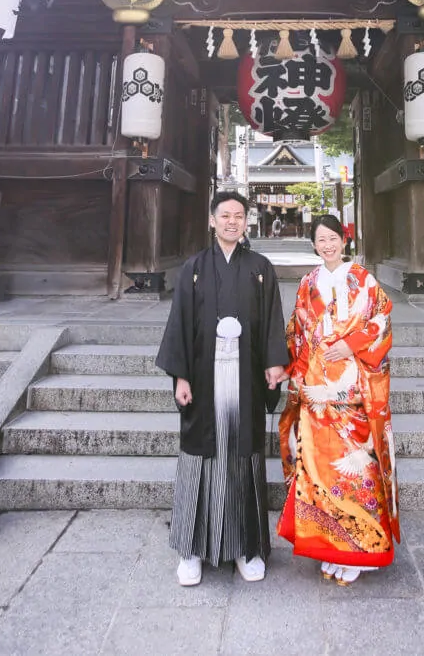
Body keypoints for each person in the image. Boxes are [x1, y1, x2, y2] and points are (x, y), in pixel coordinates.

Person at [157, 191, 289, 586]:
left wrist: (273, 363)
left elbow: (270, 322)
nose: (232, 221)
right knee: (200, 457)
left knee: (242, 457)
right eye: (225, 215)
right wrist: (180, 375)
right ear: (212, 220)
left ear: (246, 222)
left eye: (239, 215)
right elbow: (180, 323)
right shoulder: (193, 268)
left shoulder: (260, 268)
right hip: (203, 375)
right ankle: (191, 550)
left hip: (245, 378)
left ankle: (245, 549)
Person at [277, 213, 399, 585]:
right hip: (316, 391)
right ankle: (331, 544)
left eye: (333, 238)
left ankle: (360, 549)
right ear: (314, 245)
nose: (327, 245)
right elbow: (298, 333)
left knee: (358, 465)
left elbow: (381, 321)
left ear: (343, 240)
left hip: (354, 391)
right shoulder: (307, 283)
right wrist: (294, 374)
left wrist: (350, 343)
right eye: (320, 240)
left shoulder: (364, 279)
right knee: (319, 469)